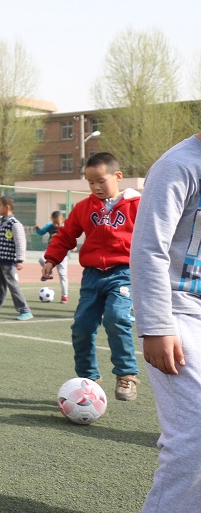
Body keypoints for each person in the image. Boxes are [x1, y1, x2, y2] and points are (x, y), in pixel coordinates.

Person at [131, 132, 201, 512]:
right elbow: (148, 247)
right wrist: (157, 324)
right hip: (179, 311)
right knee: (195, 433)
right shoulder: (179, 165)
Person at [43, 152, 141, 402]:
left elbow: (155, 235)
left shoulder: (137, 205)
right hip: (92, 277)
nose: (96, 187)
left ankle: (126, 374)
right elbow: (66, 236)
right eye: (90, 182)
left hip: (123, 274)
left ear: (118, 176)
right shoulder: (84, 207)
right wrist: (51, 260)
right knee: (82, 327)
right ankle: (88, 379)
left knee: (117, 317)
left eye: (101, 180)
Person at [35, 210, 70, 302]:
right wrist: (38, 230)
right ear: (51, 220)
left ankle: (64, 296)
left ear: (62, 220)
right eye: (54, 223)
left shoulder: (66, 227)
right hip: (51, 252)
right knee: (41, 259)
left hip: (62, 254)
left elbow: (71, 237)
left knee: (62, 274)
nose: (56, 225)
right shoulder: (49, 226)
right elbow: (41, 232)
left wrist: (72, 246)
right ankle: (49, 272)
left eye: (58, 223)